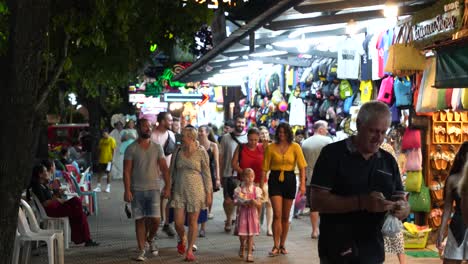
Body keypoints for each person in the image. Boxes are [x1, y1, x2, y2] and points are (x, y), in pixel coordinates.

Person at [310, 101, 410, 264]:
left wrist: (402, 209)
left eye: (383, 132)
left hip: (373, 251)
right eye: (373, 131)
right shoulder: (333, 154)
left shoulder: (387, 160)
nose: (379, 138)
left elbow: (401, 200)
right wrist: (361, 202)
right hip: (337, 250)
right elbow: (316, 201)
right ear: (358, 125)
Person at [123, 119, 171, 261]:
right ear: (138, 129)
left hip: (154, 189)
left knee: (156, 219)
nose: (148, 129)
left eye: (149, 127)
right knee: (140, 220)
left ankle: (150, 238)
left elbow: (164, 169)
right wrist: (127, 190)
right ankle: (141, 250)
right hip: (136, 190)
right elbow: (126, 171)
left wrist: (168, 186)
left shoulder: (157, 147)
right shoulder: (131, 148)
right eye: (145, 127)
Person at [262, 122, 307, 256]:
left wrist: (303, 185)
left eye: (284, 132)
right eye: (280, 132)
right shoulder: (270, 147)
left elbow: (302, 166)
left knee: (286, 216)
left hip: (290, 179)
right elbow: (264, 168)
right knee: (277, 214)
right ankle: (275, 245)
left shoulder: (295, 147)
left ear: (288, 133)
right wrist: (261, 185)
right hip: (275, 179)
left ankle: (283, 244)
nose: (282, 135)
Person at [169, 126, 212, 261]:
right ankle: (182, 237)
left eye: (184, 136)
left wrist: (209, 192)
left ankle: (189, 250)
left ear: (191, 138)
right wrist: (168, 187)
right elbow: (172, 171)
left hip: (196, 190)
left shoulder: (201, 151)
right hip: (179, 190)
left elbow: (206, 174)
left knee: (193, 221)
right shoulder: (178, 151)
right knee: (178, 222)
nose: (181, 138)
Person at [29, 163, 99, 246]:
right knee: (78, 207)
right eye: (45, 171)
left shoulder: (43, 185)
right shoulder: (37, 187)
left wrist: (57, 193)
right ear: (40, 174)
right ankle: (84, 238)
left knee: (78, 208)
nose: (47, 172)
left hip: (56, 207)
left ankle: (83, 238)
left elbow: (50, 197)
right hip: (51, 210)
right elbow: (45, 203)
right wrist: (56, 199)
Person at [437, 142, 468, 263]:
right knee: (450, 260)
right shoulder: (452, 179)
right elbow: (447, 208)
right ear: (463, 156)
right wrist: (441, 230)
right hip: (457, 226)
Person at [301, 120, 332, 239]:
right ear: (320, 129)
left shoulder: (305, 143)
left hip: (310, 178)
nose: (327, 131)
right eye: (326, 128)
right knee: (327, 205)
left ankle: (314, 230)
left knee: (313, 206)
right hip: (327, 178)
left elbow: (303, 163)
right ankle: (325, 229)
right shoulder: (328, 141)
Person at [231, 128, 266, 232]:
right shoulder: (241, 147)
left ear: (259, 138)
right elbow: (233, 164)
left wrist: (261, 183)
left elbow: (266, 165)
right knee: (243, 205)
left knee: (258, 205)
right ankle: (241, 226)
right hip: (244, 182)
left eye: (255, 140)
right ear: (247, 138)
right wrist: (245, 174)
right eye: (251, 140)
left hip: (259, 181)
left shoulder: (262, 148)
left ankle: (256, 227)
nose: (253, 142)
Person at [219, 116, 247, 232]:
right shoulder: (225, 138)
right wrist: (219, 175)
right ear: (235, 123)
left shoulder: (247, 138)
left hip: (242, 175)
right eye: (238, 122)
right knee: (228, 200)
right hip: (228, 173)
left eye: (242, 122)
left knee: (241, 200)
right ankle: (229, 218)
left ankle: (238, 219)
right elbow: (221, 156)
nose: (240, 124)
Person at [151, 112, 176, 237]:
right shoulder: (153, 136)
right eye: (169, 120)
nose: (171, 122)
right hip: (155, 173)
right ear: (162, 121)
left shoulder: (171, 134)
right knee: (155, 199)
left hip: (169, 173)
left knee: (167, 198)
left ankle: (166, 223)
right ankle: (155, 226)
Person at [234, 168, 262, 263]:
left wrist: (254, 202)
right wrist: (241, 202)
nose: (249, 179)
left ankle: (249, 254)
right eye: (247, 176)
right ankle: (242, 245)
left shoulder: (256, 189)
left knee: (250, 235)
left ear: (254, 177)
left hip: (252, 214)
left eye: (251, 176)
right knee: (242, 235)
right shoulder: (239, 190)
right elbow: (235, 201)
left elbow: (259, 203)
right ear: (242, 177)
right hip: (243, 214)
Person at [198, 125, 220, 235]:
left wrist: (218, 178)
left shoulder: (213, 146)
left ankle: (203, 224)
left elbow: (216, 163)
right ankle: (201, 225)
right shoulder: (196, 145)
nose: (200, 133)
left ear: (207, 133)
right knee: (200, 199)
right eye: (199, 131)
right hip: (198, 174)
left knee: (208, 200)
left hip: (210, 174)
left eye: (202, 131)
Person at [258, 126, 273, 236]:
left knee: (269, 203)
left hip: (269, 178)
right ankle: (257, 225)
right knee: (258, 204)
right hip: (258, 178)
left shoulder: (272, 147)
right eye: (262, 133)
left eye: (266, 133)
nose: (264, 135)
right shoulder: (256, 147)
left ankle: (269, 228)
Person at [94, 128, 116, 193]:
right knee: (100, 173)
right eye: (103, 134)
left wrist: (112, 158)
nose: (104, 135)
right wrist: (98, 158)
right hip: (101, 160)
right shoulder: (101, 140)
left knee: (108, 173)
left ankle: (108, 187)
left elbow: (113, 150)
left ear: (107, 133)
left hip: (109, 160)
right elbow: (99, 150)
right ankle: (98, 187)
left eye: (105, 134)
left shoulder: (112, 140)